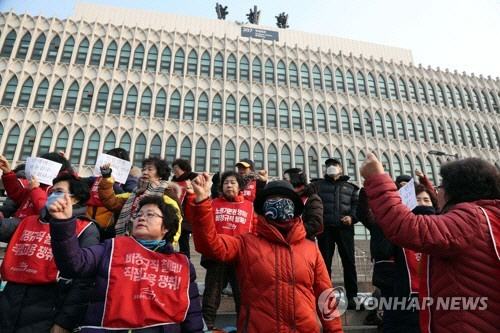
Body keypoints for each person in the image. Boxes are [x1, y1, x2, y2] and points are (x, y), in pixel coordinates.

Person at [360, 154, 500, 333]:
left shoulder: (470, 218)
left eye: (439, 187)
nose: (436, 193)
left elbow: (406, 226)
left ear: (454, 191)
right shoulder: (490, 217)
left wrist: (376, 179)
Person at [188, 174, 344, 332]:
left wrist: (336, 331)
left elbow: (326, 297)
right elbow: (210, 245)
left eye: (285, 198)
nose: (279, 203)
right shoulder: (245, 243)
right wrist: (201, 201)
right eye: (272, 199)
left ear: (295, 207)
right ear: (263, 208)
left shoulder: (311, 249)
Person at [48, 194, 204, 332]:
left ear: (166, 228)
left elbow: (192, 314)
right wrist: (64, 224)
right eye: (139, 214)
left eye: (150, 214)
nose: (142, 218)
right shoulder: (112, 247)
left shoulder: (182, 263)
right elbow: (73, 264)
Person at [0, 173, 99, 332]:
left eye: (59, 192)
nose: (52, 196)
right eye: (51, 192)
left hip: (50, 307)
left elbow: (84, 281)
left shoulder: (86, 229)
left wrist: (65, 321)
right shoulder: (29, 221)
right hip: (10, 301)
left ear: (75, 199)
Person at [358, 183, 438, 332]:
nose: (422, 204)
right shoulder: (396, 226)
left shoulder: (440, 227)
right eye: (418, 200)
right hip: (399, 292)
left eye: (426, 200)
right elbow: (366, 218)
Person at [185, 171, 255, 330]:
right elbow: (194, 216)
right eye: (226, 183)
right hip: (217, 256)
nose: (229, 185)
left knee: (242, 297)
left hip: (240, 258)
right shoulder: (213, 203)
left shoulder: (250, 206)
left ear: (240, 187)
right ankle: (206, 326)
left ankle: (244, 327)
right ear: (221, 186)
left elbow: (256, 231)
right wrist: (191, 196)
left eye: (233, 182)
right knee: (211, 295)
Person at [97, 156, 182, 243]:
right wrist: (107, 177)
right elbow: (111, 202)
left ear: (160, 175)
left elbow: (174, 224)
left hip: (152, 245)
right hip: (128, 242)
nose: (145, 172)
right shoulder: (135, 193)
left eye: (150, 170)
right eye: (144, 169)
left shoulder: (167, 194)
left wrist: (166, 246)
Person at [313, 157, 360, 309]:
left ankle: (352, 296)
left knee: (349, 263)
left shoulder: (351, 187)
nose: (331, 167)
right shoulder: (317, 185)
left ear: (341, 169)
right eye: (328, 165)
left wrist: (352, 218)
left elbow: (357, 207)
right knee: (324, 264)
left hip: (345, 229)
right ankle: (324, 296)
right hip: (325, 230)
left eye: (334, 165)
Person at [0, 152, 74, 219]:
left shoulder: (55, 190)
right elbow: (15, 193)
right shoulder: (35, 185)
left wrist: (35, 189)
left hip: (34, 225)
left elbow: (45, 212)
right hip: (22, 223)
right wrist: (8, 172)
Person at [84, 148, 138, 240]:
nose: (107, 163)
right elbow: (78, 182)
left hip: (110, 228)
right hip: (89, 223)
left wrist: (109, 181)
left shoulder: (130, 179)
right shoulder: (96, 178)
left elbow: (129, 197)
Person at [283, 167, 323, 241]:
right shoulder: (286, 197)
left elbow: (315, 223)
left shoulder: (311, 198)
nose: (284, 182)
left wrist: (295, 232)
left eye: (286, 179)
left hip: (304, 240)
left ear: (294, 179)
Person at [171, 158, 198, 257]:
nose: (174, 170)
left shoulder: (192, 181)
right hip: (172, 215)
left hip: (185, 216)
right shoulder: (172, 182)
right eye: (174, 168)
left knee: (184, 243)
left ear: (182, 169)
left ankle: (185, 261)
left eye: (176, 167)